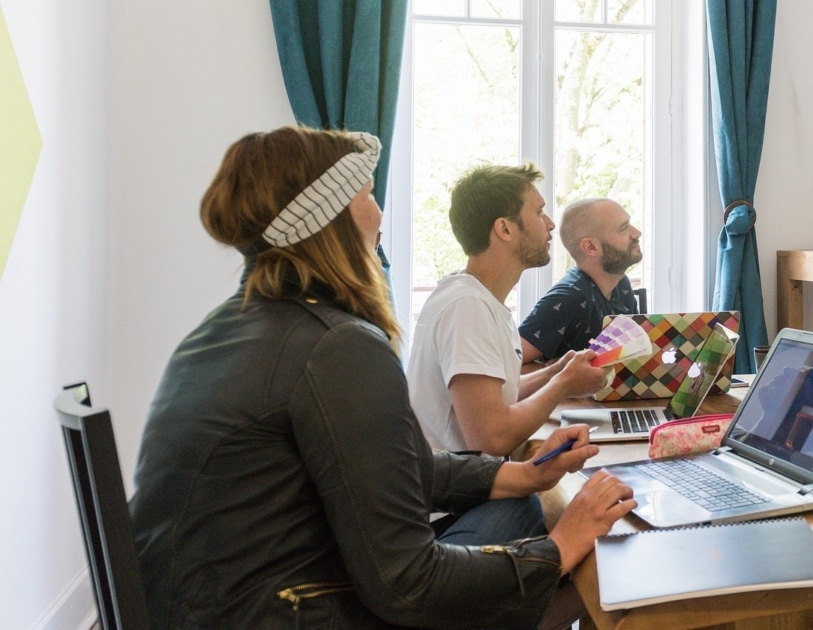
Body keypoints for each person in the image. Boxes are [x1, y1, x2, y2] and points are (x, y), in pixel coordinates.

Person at [129, 127, 636, 629]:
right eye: (368, 195)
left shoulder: (237, 326)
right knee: (581, 559)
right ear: (328, 217)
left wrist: (522, 475)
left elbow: (393, 468)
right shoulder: (333, 343)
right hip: (272, 611)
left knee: (527, 512)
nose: (379, 214)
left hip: (209, 603)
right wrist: (561, 546)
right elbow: (408, 584)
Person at [408, 166, 610, 457]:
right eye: (540, 212)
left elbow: (496, 395)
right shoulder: (467, 308)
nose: (551, 224)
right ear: (504, 229)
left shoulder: (475, 297)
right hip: (460, 497)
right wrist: (564, 385)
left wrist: (555, 372)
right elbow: (491, 439)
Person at [519, 197, 644, 364]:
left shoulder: (622, 285)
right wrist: (559, 371)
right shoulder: (568, 299)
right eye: (623, 228)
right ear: (591, 247)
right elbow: (508, 369)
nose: (636, 233)